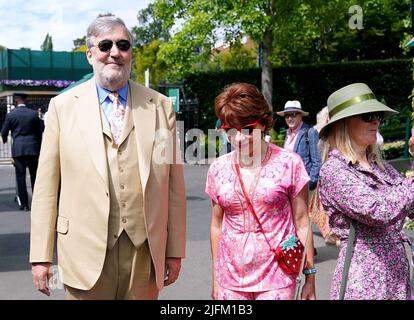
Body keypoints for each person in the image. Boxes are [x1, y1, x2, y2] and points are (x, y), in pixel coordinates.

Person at [30, 15, 186, 300]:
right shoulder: (62, 107)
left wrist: (174, 251)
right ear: (90, 55)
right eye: (105, 45)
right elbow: (46, 188)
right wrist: (40, 256)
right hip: (83, 250)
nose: (115, 53)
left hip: (144, 252)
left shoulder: (161, 107)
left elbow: (173, 186)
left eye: (123, 45)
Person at [205, 83, 316, 300]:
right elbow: (217, 225)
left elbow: (303, 222)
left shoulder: (289, 163)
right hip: (230, 280)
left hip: (278, 277)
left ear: (263, 124)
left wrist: (310, 278)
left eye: (247, 129)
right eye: (230, 130)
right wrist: (216, 278)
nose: (238, 138)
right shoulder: (217, 169)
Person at [318, 82, 414, 300]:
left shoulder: (381, 167)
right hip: (363, 281)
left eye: (378, 115)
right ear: (343, 124)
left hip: (396, 278)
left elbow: (409, 205)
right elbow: (379, 211)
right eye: (368, 115)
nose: (376, 121)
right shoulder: (334, 170)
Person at [1, 93, 44, 211]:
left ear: (16, 101)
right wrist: (38, 146)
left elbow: (4, 131)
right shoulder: (34, 114)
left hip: (19, 149)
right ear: (26, 100)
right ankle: (37, 202)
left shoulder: (11, 115)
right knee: (34, 176)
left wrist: (5, 140)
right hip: (32, 148)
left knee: (20, 176)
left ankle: (24, 204)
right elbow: (39, 132)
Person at [276, 100, 321, 191]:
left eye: (293, 114)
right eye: (286, 115)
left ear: (301, 116)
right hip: (288, 184)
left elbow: (317, 161)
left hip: (304, 185)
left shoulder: (310, 132)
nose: (289, 118)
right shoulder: (287, 133)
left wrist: (311, 184)